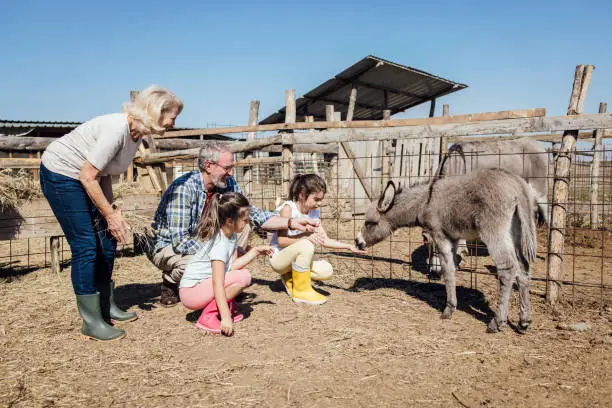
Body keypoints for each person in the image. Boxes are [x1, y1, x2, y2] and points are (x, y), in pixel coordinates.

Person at [40, 85, 183, 341]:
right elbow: (88, 174)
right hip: (62, 175)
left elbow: (103, 173)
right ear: (157, 112)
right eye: (173, 116)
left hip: (87, 178)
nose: (174, 122)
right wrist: (109, 214)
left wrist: (111, 210)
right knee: (85, 244)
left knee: (107, 241)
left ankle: (106, 304)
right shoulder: (116, 129)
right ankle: (91, 320)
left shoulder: (136, 134)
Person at [150, 141, 319, 306]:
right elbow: (181, 242)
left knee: (242, 224)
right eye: (227, 167)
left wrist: (291, 222)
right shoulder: (183, 188)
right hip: (168, 246)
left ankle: (224, 284)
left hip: (205, 238)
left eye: (232, 167)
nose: (231, 173)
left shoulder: (227, 183)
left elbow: (253, 215)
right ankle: (170, 281)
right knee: (200, 264)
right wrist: (219, 253)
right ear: (209, 166)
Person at [179, 192, 273, 335]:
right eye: (245, 220)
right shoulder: (220, 244)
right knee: (243, 277)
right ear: (230, 221)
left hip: (201, 287)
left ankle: (222, 309)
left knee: (241, 275)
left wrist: (255, 251)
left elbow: (231, 267)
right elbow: (218, 282)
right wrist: (226, 318)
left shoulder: (231, 235)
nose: (247, 223)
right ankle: (209, 315)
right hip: (191, 292)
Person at [269, 174, 366, 304]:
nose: (319, 203)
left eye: (321, 199)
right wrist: (305, 237)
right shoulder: (288, 209)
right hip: (278, 258)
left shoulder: (314, 213)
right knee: (306, 244)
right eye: (316, 199)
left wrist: (348, 247)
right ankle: (301, 292)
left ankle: (290, 278)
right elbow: (281, 241)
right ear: (302, 195)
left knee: (326, 271)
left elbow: (324, 240)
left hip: (295, 256)